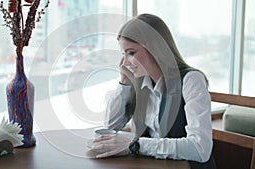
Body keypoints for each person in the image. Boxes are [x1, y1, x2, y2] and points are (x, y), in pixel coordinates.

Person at [91, 14, 216, 169]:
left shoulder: (191, 80)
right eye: (123, 54)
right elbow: (111, 126)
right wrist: (124, 82)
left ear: (155, 49)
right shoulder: (141, 82)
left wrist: (135, 145)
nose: (124, 62)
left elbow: (200, 149)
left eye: (131, 53)